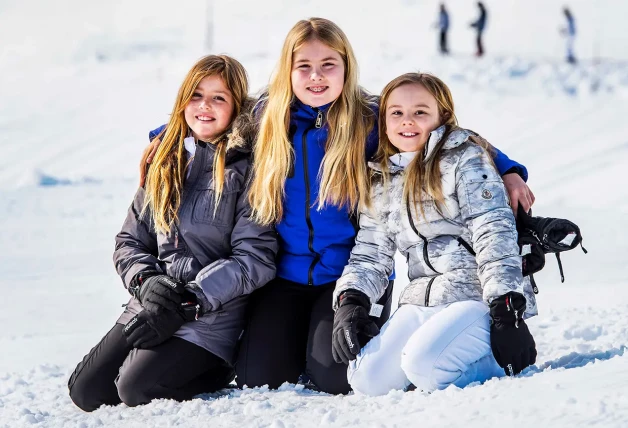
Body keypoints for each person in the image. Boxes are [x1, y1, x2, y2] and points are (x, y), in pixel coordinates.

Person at [138, 18, 534, 395]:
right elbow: (214, 121)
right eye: (304, 66)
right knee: (260, 376)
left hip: (346, 275)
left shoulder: (369, 118)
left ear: (346, 67)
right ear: (288, 70)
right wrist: (165, 137)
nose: (316, 76)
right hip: (283, 275)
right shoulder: (266, 117)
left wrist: (507, 169)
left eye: (328, 65)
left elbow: (441, 133)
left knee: (335, 378)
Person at [67, 55, 278, 412]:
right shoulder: (165, 160)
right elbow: (130, 241)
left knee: (135, 389)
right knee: (86, 392)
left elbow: (254, 259)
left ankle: (215, 370)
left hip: (210, 314)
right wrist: (146, 282)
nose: (204, 106)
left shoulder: (249, 170)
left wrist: (190, 301)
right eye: (196, 95)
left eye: (219, 98)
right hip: (152, 304)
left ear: (236, 107)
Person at [331, 72, 537, 396]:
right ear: (384, 121)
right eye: (396, 112)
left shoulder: (466, 159)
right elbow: (370, 252)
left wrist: (505, 306)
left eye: (420, 112)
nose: (407, 121)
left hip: (477, 298)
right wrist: (351, 300)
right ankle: (439, 360)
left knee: (423, 367)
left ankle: (498, 362)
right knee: (367, 380)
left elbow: (493, 232)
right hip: (422, 299)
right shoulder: (382, 178)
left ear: (442, 115)